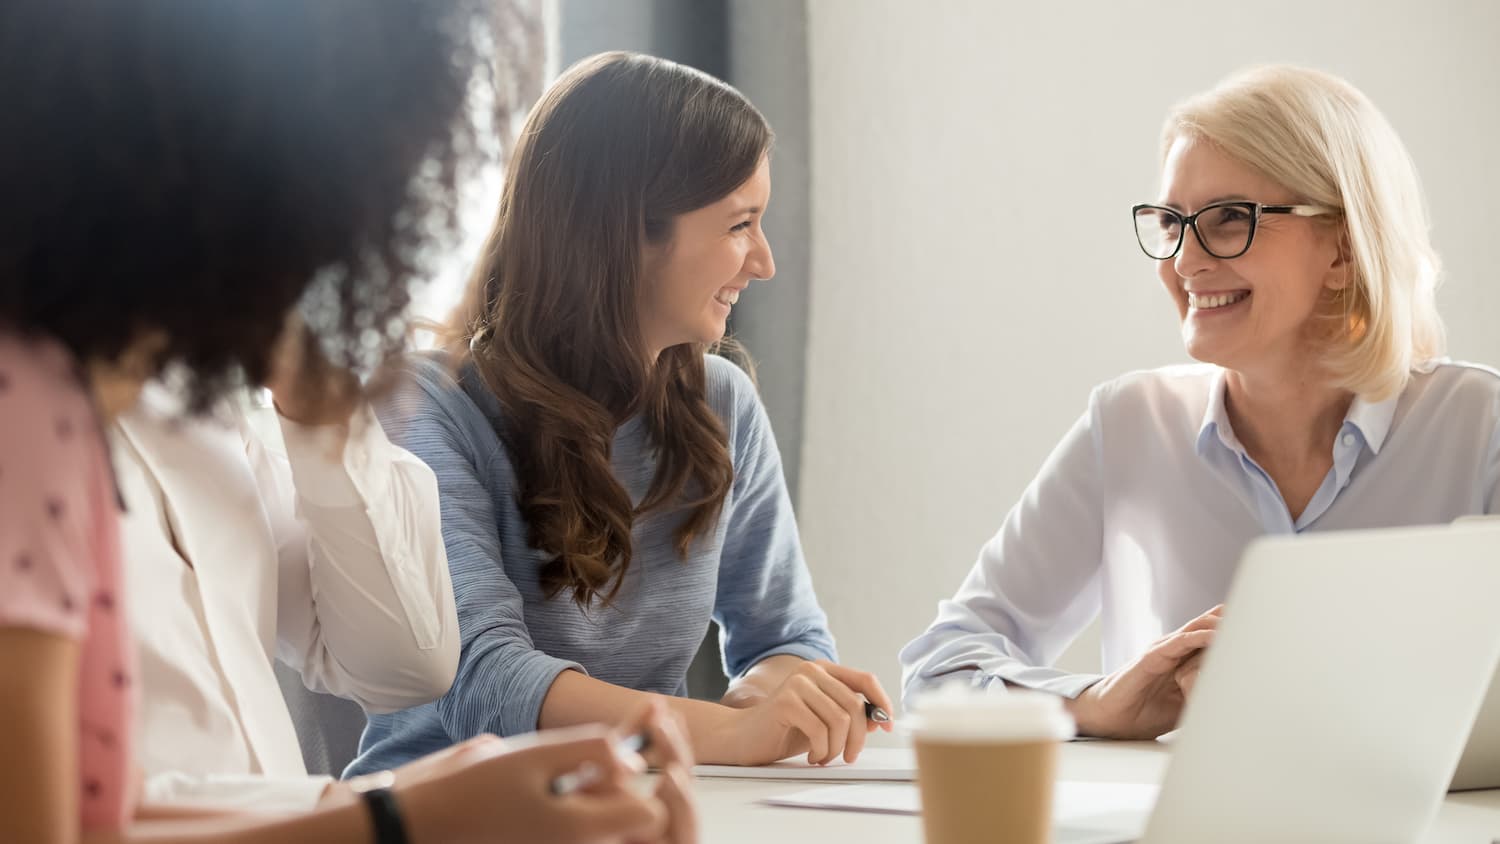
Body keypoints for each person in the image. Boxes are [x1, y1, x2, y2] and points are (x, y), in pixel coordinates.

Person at [0, 3, 696, 842]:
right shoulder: (32, 408)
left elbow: (402, 665)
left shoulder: (170, 393)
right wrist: (405, 820)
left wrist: (439, 797)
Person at [900, 65, 1500, 741]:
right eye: (1170, 222)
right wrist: (1091, 702)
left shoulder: (1479, 429)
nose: (1184, 260)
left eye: (1227, 220)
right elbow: (939, 669)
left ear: (1342, 248)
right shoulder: (1130, 423)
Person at [347, 51, 894, 777]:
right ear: (629, 233)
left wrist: (779, 696)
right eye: (740, 225)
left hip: (632, 810)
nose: (762, 262)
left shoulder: (722, 403)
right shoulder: (423, 407)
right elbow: (482, 680)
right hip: (449, 816)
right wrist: (730, 737)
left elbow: (784, 637)